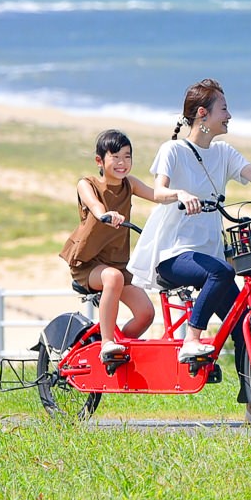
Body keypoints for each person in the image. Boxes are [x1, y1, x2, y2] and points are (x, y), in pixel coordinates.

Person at [129, 79, 251, 363]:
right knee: (222, 272)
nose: (229, 115)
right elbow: (158, 191)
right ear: (202, 114)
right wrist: (180, 194)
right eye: (224, 109)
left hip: (210, 257)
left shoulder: (223, 153)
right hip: (174, 255)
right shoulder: (173, 150)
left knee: (243, 324)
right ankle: (192, 339)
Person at [59, 129, 184, 371]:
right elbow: (94, 205)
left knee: (145, 313)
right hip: (88, 264)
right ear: (99, 160)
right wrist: (105, 214)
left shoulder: (130, 184)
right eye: (115, 157)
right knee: (113, 278)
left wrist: (182, 195)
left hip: (118, 263)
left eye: (127, 156)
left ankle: (118, 354)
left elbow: (157, 195)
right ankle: (107, 342)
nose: (122, 163)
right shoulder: (87, 184)